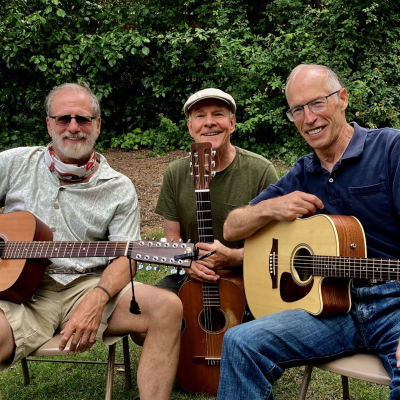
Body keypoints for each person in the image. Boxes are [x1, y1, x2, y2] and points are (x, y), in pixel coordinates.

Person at [217, 63, 400, 399]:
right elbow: (232, 227)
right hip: (331, 309)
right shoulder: (303, 171)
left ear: (342, 99)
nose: (308, 118)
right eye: (297, 110)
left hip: (394, 305)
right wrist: (271, 207)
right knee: (241, 342)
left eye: (317, 103)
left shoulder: (390, 149)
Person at [0, 83, 182, 400]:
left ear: (97, 125)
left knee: (167, 307)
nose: (73, 127)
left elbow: (127, 256)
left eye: (83, 119)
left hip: (87, 285)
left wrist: (98, 298)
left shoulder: (118, 187)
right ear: (48, 123)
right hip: (19, 295)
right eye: (63, 119)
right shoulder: (15, 163)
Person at [155, 88, 278, 293]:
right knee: (148, 308)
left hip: (247, 278)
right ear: (190, 126)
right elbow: (172, 239)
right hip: (192, 277)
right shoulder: (175, 173)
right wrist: (187, 264)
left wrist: (233, 258)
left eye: (218, 114)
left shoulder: (261, 171)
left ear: (232, 123)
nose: (209, 122)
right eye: (200, 115)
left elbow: (276, 247)